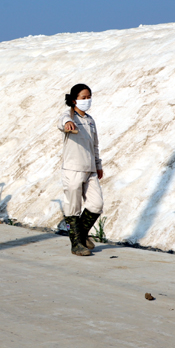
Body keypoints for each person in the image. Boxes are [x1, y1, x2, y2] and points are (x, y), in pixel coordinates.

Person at [57, 84, 104, 256]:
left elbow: (95, 145)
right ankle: (76, 244)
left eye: (89, 97)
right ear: (74, 100)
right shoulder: (69, 116)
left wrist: (98, 165)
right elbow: (62, 121)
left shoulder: (90, 121)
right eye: (83, 98)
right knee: (73, 207)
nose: (87, 100)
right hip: (73, 169)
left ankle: (82, 236)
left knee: (96, 204)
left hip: (90, 169)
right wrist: (68, 123)